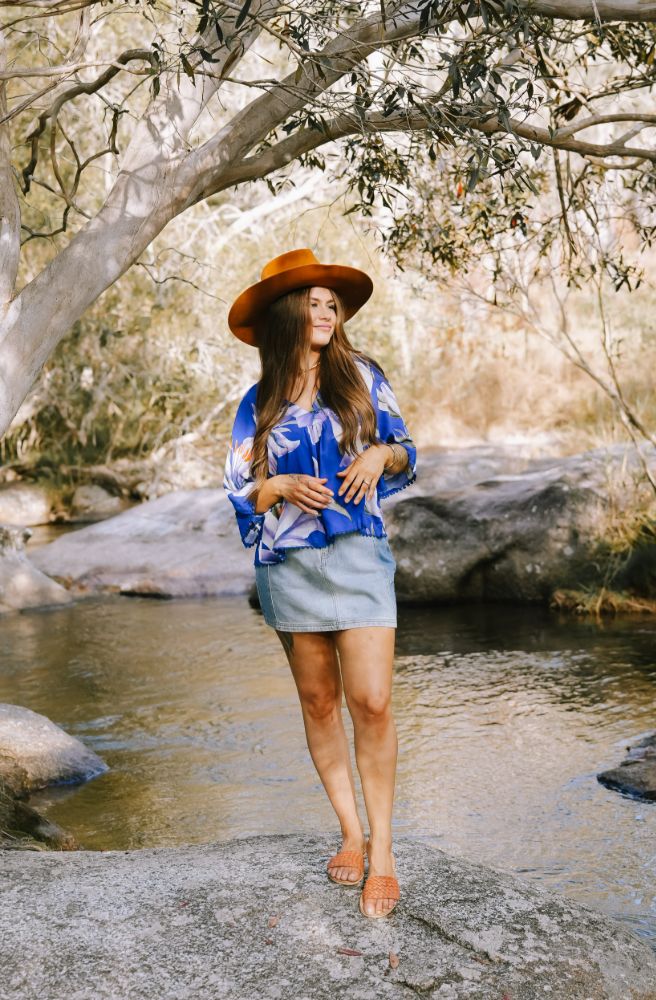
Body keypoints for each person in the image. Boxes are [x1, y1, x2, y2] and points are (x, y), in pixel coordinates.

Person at [223, 248, 417, 918]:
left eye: (332, 304)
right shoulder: (258, 403)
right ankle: (352, 834)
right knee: (318, 702)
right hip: (289, 566)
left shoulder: (363, 377)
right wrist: (272, 484)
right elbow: (237, 491)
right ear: (287, 316)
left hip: (361, 555)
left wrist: (377, 452)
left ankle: (386, 853)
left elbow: (406, 452)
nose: (327, 312)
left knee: (372, 701)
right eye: (314, 303)